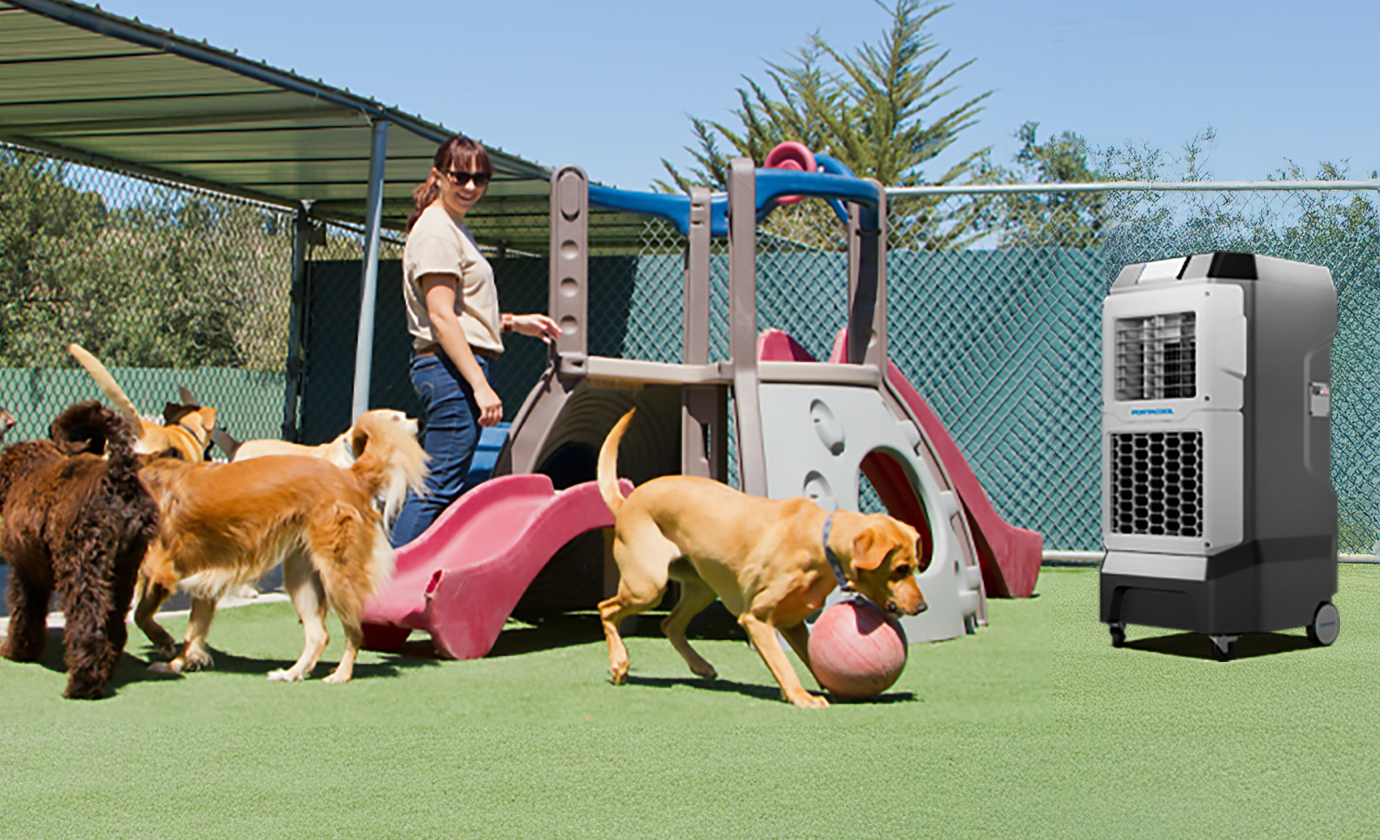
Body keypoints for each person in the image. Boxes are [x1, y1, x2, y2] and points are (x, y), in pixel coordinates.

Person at [390, 136, 560, 547]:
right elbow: (441, 316)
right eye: (460, 176)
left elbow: (459, 313)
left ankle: (403, 586)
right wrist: (479, 385)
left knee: (440, 484)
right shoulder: (436, 231)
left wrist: (512, 322)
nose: (470, 186)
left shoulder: (452, 227)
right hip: (449, 373)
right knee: (437, 488)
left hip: (453, 368)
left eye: (480, 178)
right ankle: (384, 595)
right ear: (438, 176)